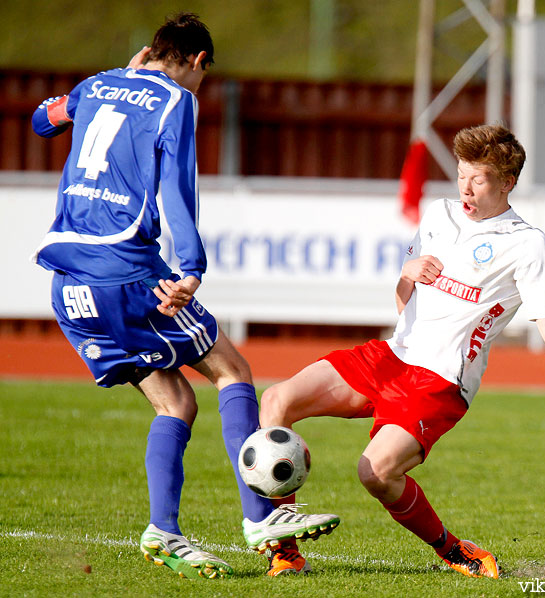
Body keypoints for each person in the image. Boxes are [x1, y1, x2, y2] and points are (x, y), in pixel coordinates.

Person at [30, 12, 338, 580]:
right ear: (197, 62)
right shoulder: (177, 101)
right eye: (204, 73)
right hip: (126, 273)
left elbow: (42, 121)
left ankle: (162, 532)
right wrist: (191, 268)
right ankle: (259, 519)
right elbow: (178, 191)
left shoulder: (96, 85)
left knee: (176, 404)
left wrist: (115, 79)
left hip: (68, 284)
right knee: (232, 369)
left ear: (150, 51)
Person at [259, 124, 545, 579]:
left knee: (375, 473)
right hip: (392, 356)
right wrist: (406, 271)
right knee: (276, 400)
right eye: (461, 176)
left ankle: (453, 549)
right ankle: (285, 547)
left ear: (507, 182)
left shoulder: (528, 244)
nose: (466, 189)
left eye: (478, 179)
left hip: (438, 381)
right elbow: (403, 302)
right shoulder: (438, 214)